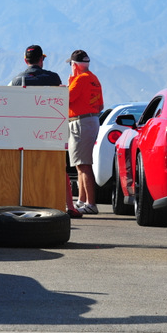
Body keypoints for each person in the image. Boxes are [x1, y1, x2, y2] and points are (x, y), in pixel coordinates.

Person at [8, 45, 82, 218]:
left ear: (25, 60)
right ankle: (69, 206)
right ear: (42, 59)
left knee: (27, 168)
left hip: (25, 133)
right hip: (51, 132)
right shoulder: (53, 78)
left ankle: (27, 203)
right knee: (60, 168)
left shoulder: (17, 80)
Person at [67, 49, 103, 215]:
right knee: (81, 164)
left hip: (81, 122)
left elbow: (66, 98)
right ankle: (82, 200)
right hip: (91, 120)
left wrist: (70, 82)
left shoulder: (80, 79)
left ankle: (90, 203)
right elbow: (100, 105)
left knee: (84, 165)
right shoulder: (93, 78)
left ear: (74, 65)